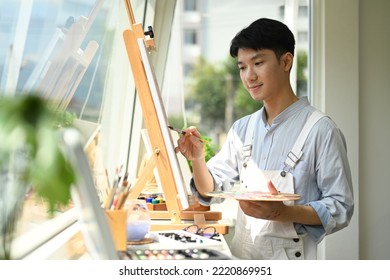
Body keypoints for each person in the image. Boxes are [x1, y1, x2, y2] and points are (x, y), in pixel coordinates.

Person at [176, 18, 354, 260]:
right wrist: (197, 159)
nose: (249, 76)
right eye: (242, 67)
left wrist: (282, 213)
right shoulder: (242, 128)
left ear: (286, 61)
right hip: (243, 258)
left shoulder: (321, 130)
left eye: (258, 63)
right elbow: (210, 190)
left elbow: (340, 207)